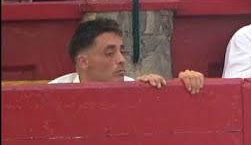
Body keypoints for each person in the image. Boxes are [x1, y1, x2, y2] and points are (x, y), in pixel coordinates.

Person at [50, 17, 205, 92]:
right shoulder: (53, 93)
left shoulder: (137, 88)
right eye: (110, 53)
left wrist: (186, 82)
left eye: (122, 51)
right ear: (83, 62)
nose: (122, 60)